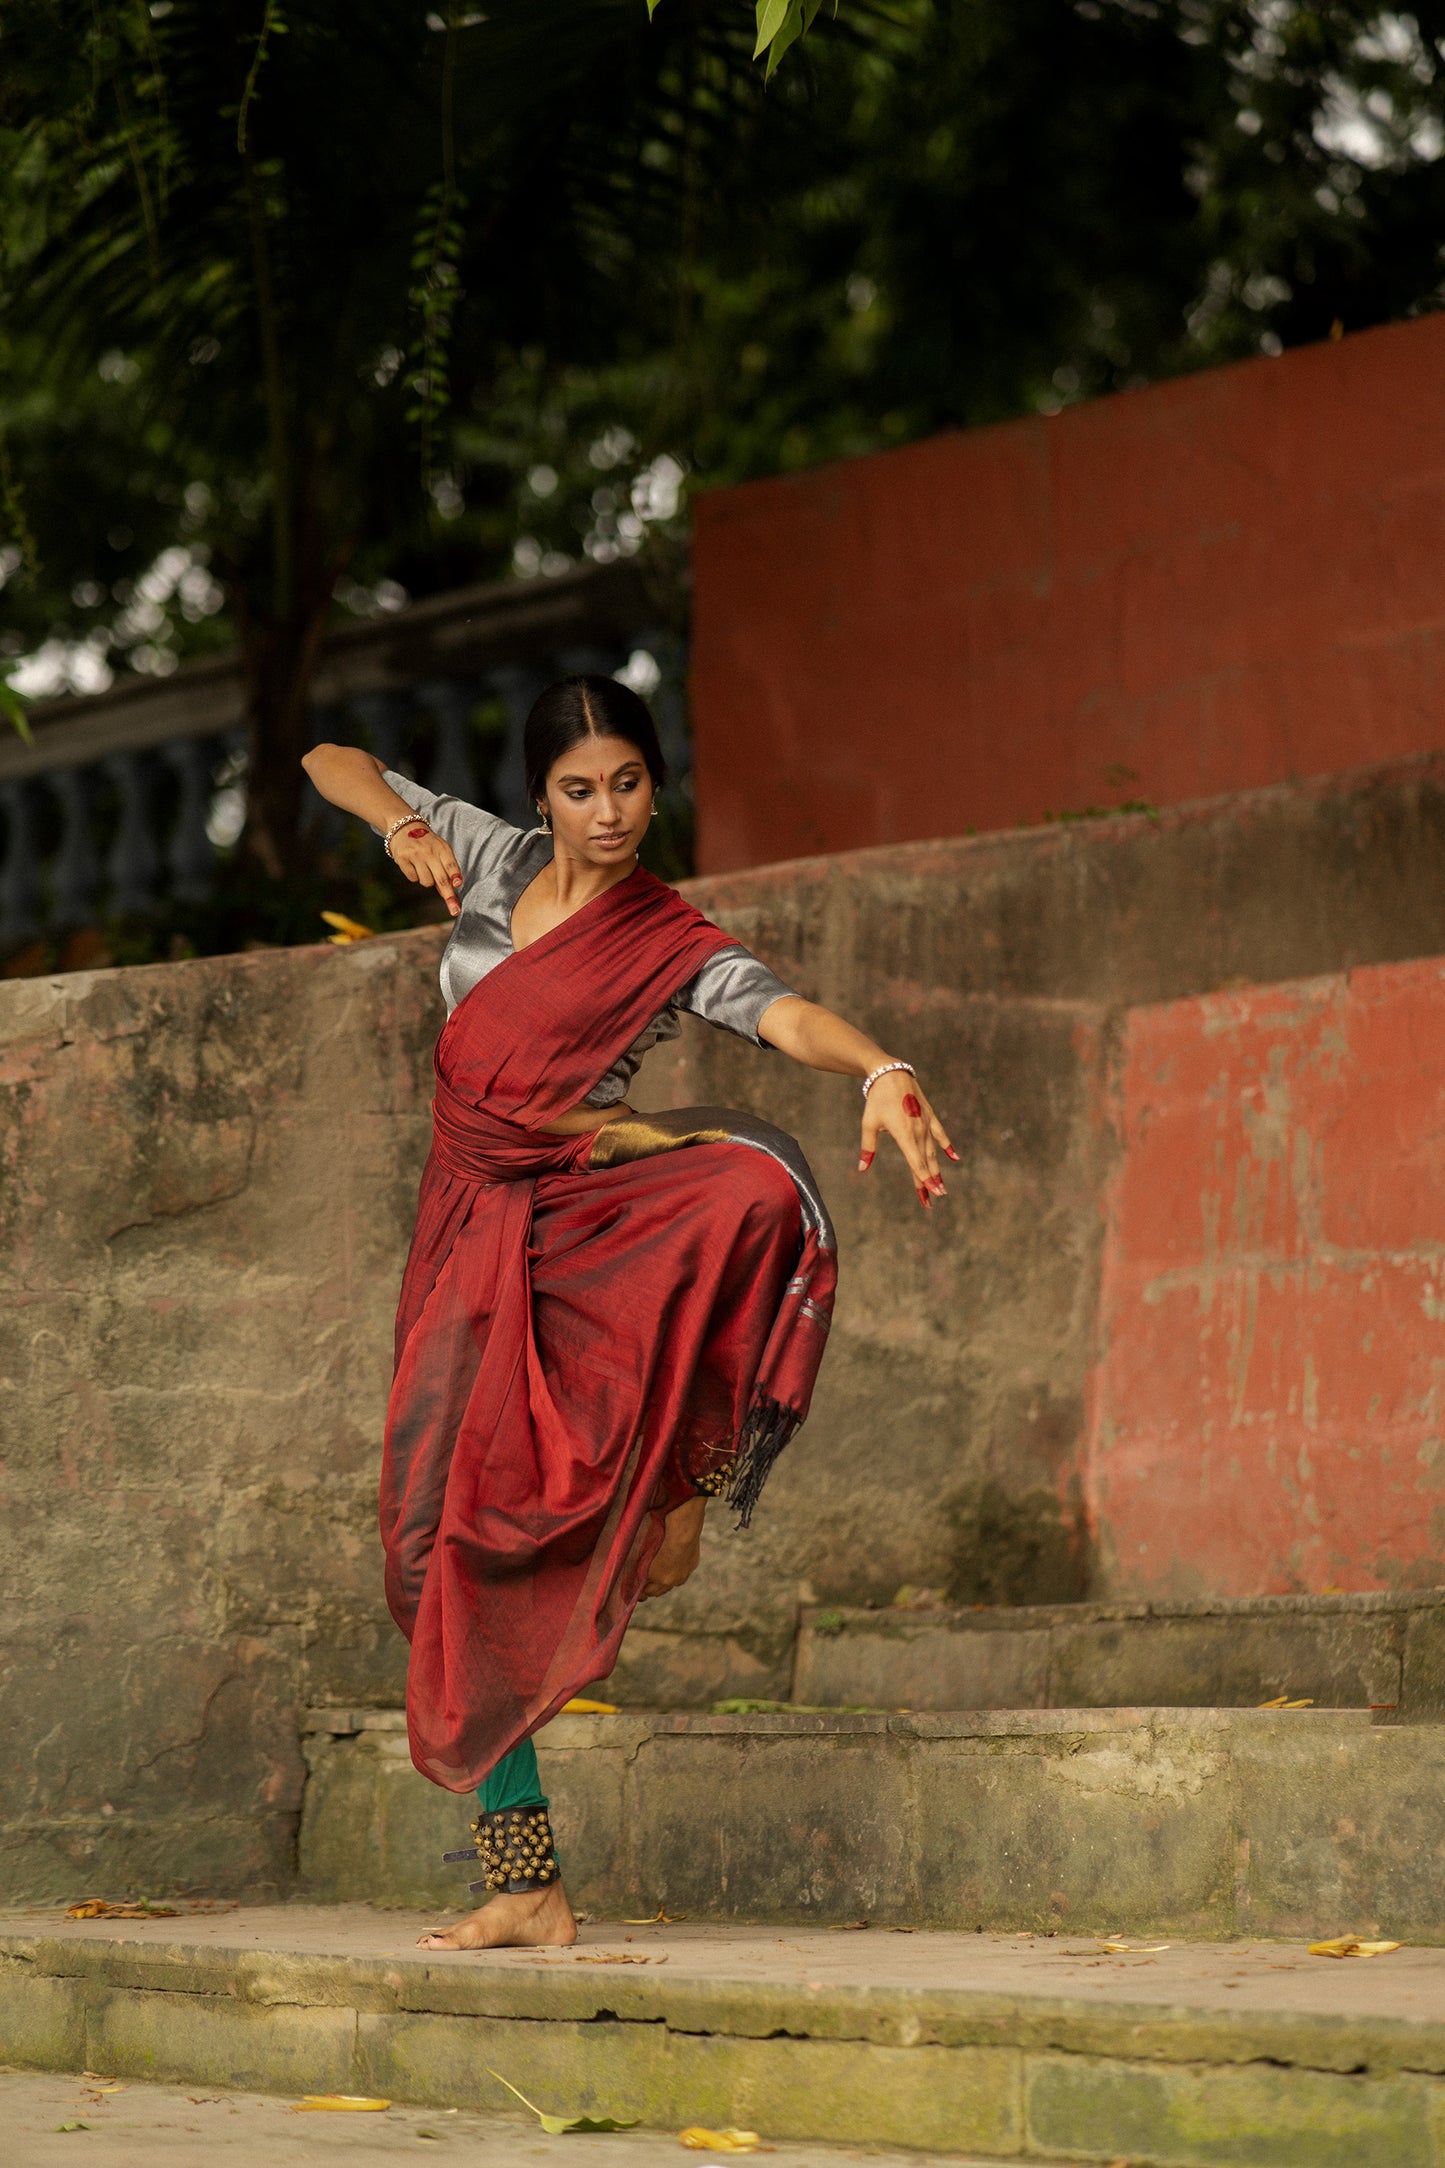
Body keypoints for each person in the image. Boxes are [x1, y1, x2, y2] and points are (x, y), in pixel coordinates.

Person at [302, 675, 954, 1952]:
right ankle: (523, 1880)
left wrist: (877, 1063)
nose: (608, 813)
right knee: (431, 1542)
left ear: (658, 782)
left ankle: (670, 1481)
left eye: (630, 783)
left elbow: (779, 1012)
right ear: (539, 796)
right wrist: (399, 825)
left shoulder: (671, 939)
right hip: (461, 1231)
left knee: (753, 1185)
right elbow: (330, 755)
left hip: (573, 1227)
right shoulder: (484, 858)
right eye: (579, 788)